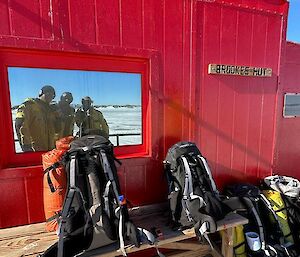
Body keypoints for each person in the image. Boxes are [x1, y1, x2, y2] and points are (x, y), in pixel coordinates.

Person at [15, 85, 58, 152]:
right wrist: (26, 146)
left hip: (50, 151)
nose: (50, 97)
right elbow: (20, 124)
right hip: (35, 150)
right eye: (48, 94)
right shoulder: (30, 106)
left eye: (52, 96)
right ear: (41, 93)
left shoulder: (50, 111)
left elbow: (56, 129)